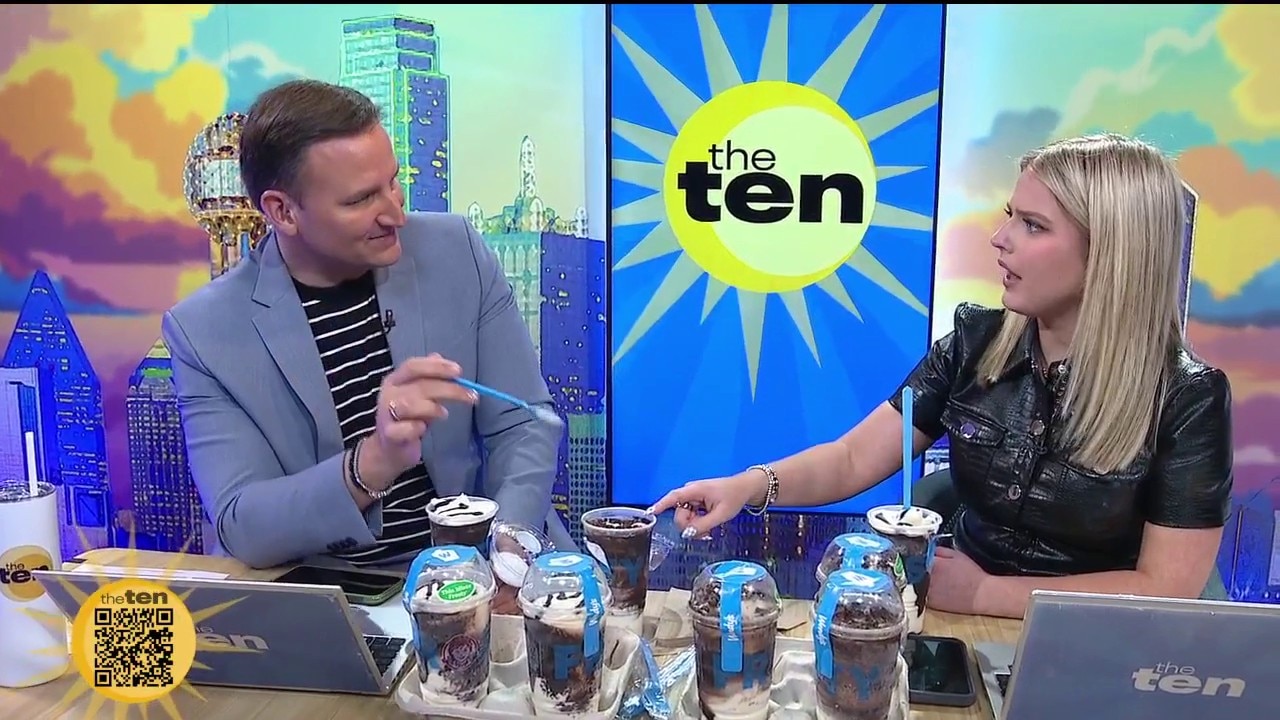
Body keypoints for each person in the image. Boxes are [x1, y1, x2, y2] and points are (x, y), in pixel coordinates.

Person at [649, 133, 1234, 619]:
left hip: (1089, 642)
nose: (1000, 239)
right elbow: (853, 459)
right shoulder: (975, 344)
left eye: (1033, 225)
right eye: (1010, 216)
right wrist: (748, 487)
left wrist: (989, 594)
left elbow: (1166, 587)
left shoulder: (1187, 398)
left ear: (1111, 252)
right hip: (954, 620)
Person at [163, 79, 568, 571]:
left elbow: (525, 423)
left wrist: (509, 550)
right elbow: (243, 524)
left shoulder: (456, 250)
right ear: (282, 211)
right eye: (361, 200)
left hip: (488, 566)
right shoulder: (204, 332)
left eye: (392, 182)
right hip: (334, 590)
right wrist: (375, 460)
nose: (395, 213)